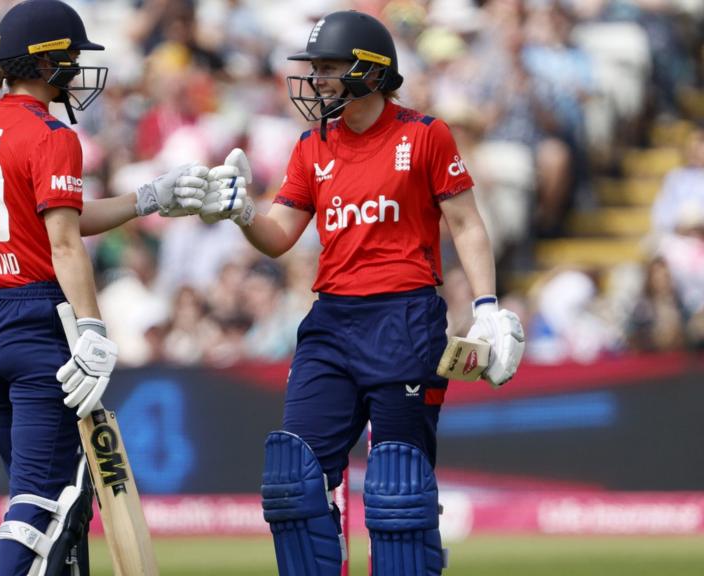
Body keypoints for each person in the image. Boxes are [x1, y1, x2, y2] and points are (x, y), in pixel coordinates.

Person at [199, 11, 525, 576]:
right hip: (330, 324)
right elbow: (278, 236)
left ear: (370, 73)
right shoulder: (311, 146)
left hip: (405, 320)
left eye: (328, 68)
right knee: (291, 478)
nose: (316, 79)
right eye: (315, 68)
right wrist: (243, 211)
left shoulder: (424, 135)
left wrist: (487, 308)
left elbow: (467, 225)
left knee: (399, 488)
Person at [0, 1, 208, 575]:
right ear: (45, 61)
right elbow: (64, 245)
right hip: (32, 318)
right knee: (45, 499)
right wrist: (93, 328)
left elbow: (59, 216)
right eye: (69, 57)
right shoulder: (51, 134)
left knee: (53, 496)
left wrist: (148, 198)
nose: (75, 68)